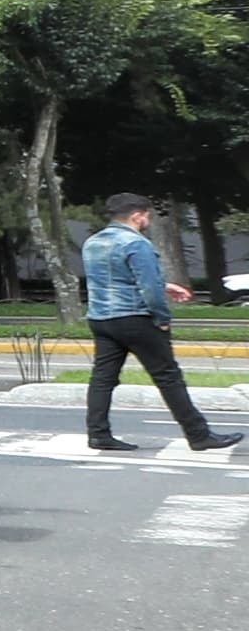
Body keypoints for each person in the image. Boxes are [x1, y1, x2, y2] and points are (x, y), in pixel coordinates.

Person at [81, 191, 232, 452]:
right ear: (137, 216)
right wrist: (162, 319)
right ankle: (199, 435)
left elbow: (115, 280)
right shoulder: (136, 243)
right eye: (147, 216)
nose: (147, 221)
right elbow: (149, 287)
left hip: (101, 318)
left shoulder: (93, 242)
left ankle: (98, 434)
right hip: (135, 318)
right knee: (168, 377)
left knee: (103, 379)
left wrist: (166, 285)